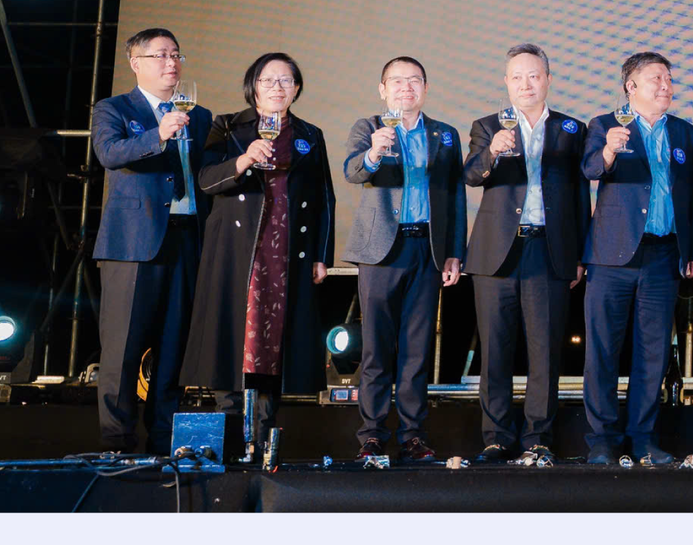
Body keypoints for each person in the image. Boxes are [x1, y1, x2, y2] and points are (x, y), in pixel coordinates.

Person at [181, 53, 335, 451]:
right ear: (253, 87)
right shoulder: (227, 126)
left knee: (275, 338)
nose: (277, 88)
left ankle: (265, 433)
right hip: (238, 249)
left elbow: (324, 198)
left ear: (296, 89)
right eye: (268, 80)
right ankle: (230, 431)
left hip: (287, 248)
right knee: (232, 333)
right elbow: (206, 181)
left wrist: (321, 254)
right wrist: (244, 159)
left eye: (286, 81)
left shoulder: (310, 134)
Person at [581, 51, 693, 467]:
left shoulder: (685, 133)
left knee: (653, 352)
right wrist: (608, 152)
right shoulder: (605, 125)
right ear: (630, 86)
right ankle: (602, 440)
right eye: (656, 79)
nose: (666, 86)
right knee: (603, 349)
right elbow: (589, 170)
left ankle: (642, 438)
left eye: (669, 79)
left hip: (664, 253)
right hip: (611, 256)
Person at [464, 44, 589, 465]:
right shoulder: (487, 126)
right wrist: (492, 152)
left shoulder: (571, 129)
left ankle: (538, 437)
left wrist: (579, 255)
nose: (525, 84)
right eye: (516, 77)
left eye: (533, 76)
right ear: (506, 82)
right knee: (495, 350)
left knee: (545, 352)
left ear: (548, 79)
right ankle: (496, 437)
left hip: (548, 250)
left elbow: (580, 195)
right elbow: (471, 175)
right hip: (496, 253)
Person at [89, 27, 212, 453]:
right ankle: (117, 441)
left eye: (176, 54)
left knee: (173, 346)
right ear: (135, 63)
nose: (171, 63)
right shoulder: (114, 108)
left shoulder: (199, 114)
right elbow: (109, 153)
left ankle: (164, 439)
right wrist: (158, 134)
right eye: (160, 55)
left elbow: (206, 174)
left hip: (186, 239)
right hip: (132, 243)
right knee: (123, 347)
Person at [340, 56, 466, 467]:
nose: (405, 88)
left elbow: (454, 195)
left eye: (414, 81)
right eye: (396, 81)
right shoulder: (368, 127)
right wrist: (374, 153)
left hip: (426, 248)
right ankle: (372, 436)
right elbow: (353, 172)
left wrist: (454, 251)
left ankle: (413, 435)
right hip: (381, 251)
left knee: (417, 349)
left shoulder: (444, 134)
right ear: (383, 89)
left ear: (425, 89)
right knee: (377, 348)